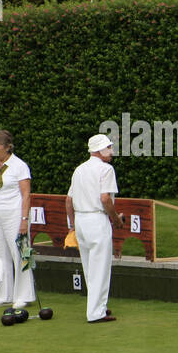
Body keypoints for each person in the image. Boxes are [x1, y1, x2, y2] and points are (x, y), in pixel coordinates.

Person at [66, 132, 124, 323]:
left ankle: (99, 307)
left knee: (90, 268)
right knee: (100, 268)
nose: (112, 152)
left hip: (81, 221)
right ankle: (96, 313)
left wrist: (73, 225)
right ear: (99, 150)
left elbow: (69, 200)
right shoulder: (106, 170)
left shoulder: (79, 169)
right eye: (109, 148)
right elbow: (105, 199)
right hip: (97, 220)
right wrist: (116, 219)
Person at [0, 129, 36, 310]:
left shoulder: (20, 166)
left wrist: (24, 219)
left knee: (21, 253)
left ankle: (24, 295)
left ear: (7, 147)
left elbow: (26, 195)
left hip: (14, 214)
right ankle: (4, 293)